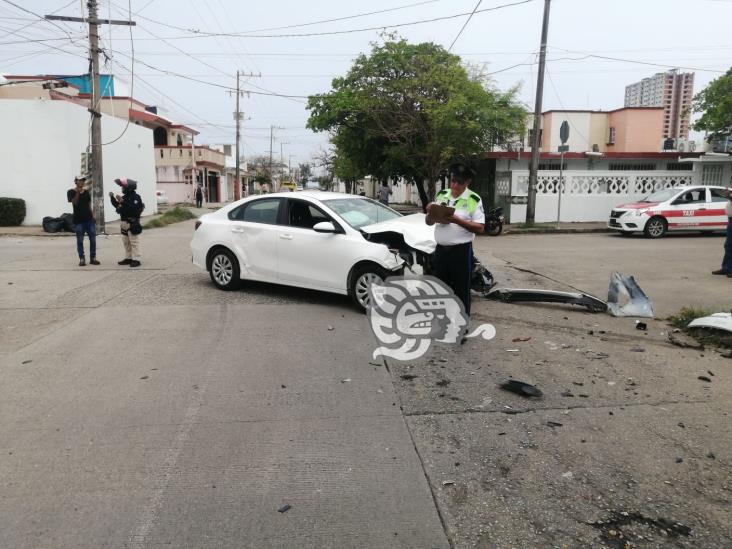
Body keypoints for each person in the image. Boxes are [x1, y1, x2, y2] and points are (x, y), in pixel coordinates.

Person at [425, 162, 485, 316]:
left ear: (468, 182)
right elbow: (430, 221)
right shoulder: (442, 195)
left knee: (461, 290)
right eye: (453, 180)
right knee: (440, 288)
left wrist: (458, 221)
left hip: (461, 252)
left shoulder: (473, 199)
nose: (455, 185)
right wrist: (431, 211)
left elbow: (480, 228)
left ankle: (461, 326)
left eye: (460, 182)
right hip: (441, 251)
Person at [109, 178, 145, 267]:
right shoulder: (124, 197)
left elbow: (133, 210)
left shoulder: (136, 197)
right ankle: (128, 258)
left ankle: (136, 259)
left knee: (134, 242)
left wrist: (123, 202)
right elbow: (117, 206)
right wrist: (112, 198)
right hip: (124, 223)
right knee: (126, 242)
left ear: (129, 187)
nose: (122, 188)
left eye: (123, 187)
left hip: (132, 222)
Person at [67, 175, 99, 266]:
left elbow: (89, 204)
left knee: (93, 240)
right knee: (80, 240)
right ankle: (82, 258)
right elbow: (74, 202)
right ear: (76, 181)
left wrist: (93, 216)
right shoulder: (70, 192)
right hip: (78, 221)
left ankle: (93, 258)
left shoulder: (87, 192)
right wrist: (77, 193)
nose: (82, 182)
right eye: (80, 180)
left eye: (83, 180)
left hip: (89, 220)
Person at [712, 187, 732, 277]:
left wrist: (728, 196)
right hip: (730, 220)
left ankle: (729, 268)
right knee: (728, 245)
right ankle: (726, 268)